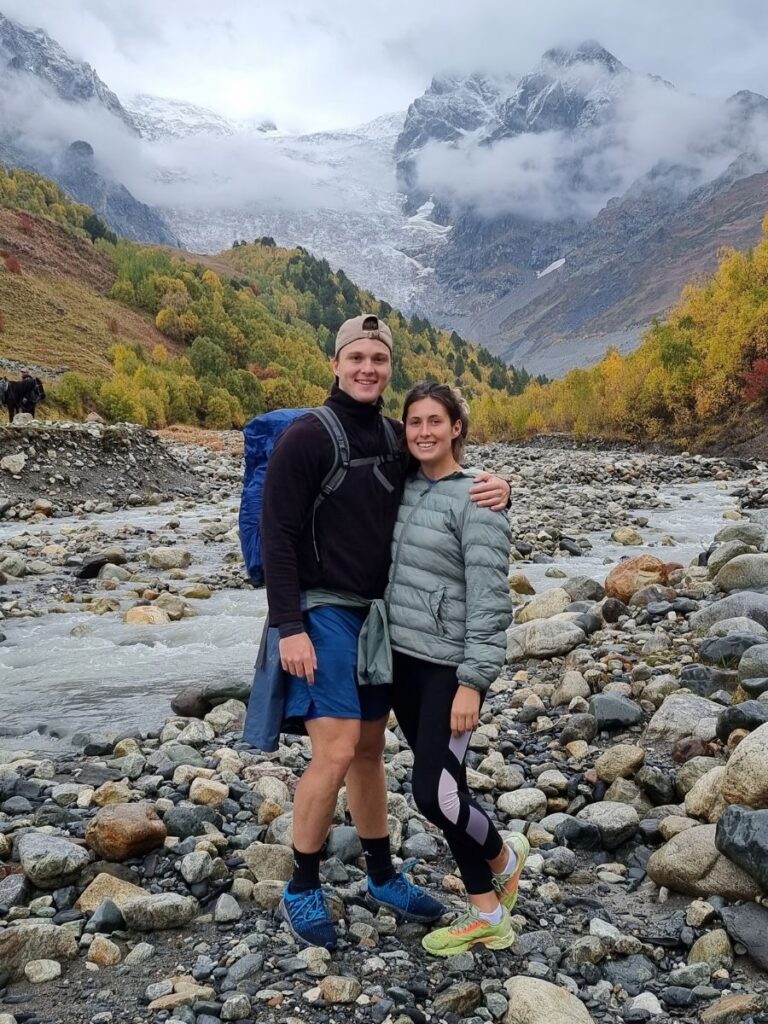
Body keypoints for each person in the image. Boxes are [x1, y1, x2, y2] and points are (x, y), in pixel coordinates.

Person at [255, 313, 511, 949]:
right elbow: (277, 534)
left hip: (378, 617)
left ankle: (381, 873)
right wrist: (289, 625)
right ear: (336, 363)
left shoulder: (398, 436)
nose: (368, 367)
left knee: (369, 751)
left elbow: (442, 485)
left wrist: (499, 489)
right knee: (337, 750)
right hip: (322, 612)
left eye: (379, 358)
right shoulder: (309, 437)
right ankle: (302, 886)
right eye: (357, 357)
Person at [385, 381, 529, 956]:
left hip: (449, 669)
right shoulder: (402, 485)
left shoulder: (480, 499)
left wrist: (473, 681)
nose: (423, 431)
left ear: (457, 428)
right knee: (450, 787)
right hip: (402, 662)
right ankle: (488, 912)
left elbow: (493, 602)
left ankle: (504, 859)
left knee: (433, 795)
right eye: (413, 421)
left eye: (434, 422)